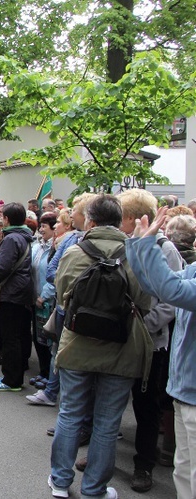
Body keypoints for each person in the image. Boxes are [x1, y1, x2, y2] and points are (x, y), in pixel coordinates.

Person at [48, 194, 152, 499]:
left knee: (69, 413)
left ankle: (59, 481)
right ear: (120, 222)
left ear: (90, 220)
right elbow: (144, 302)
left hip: (77, 345)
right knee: (108, 422)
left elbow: (62, 297)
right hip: (122, 348)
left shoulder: (75, 251)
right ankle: (94, 489)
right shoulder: (134, 254)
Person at [127, 207, 196, 498]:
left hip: (192, 393)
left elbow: (169, 291)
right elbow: (152, 284)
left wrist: (146, 244)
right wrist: (137, 245)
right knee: (183, 468)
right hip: (182, 389)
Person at [118, 188, 180, 493]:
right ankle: (102, 457)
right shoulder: (124, 245)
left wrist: (144, 327)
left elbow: (170, 301)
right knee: (113, 399)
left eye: (121, 217)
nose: (118, 222)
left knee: (147, 408)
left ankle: (144, 465)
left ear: (131, 218)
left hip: (151, 345)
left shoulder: (165, 249)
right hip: (121, 341)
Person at [0, 202, 33, 391]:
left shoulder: (11, 239)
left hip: (11, 292)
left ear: (6, 219)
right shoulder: (26, 236)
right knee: (19, 335)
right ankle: (15, 376)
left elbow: (3, 267)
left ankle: (11, 379)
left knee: (10, 337)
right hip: (23, 290)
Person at [26, 211, 56, 398]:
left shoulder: (55, 248)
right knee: (37, 336)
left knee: (47, 337)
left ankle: (47, 374)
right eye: (41, 225)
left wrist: (44, 296)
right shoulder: (37, 245)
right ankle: (43, 371)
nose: (41, 229)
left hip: (46, 299)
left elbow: (53, 275)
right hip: (34, 296)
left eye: (45, 226)